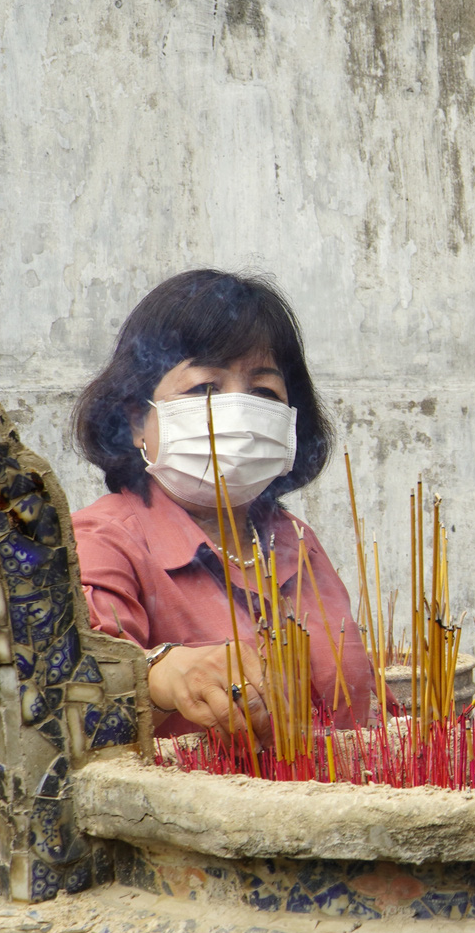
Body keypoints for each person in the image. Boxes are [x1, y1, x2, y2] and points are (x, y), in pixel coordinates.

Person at [71, 269, 376, 743]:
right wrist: (164, 671)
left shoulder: (293, 540)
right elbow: (76, 688)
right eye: (204, 388)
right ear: (136, 419)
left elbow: (352, 712)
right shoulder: (100, 543)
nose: (237, 412)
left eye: (263, 392)